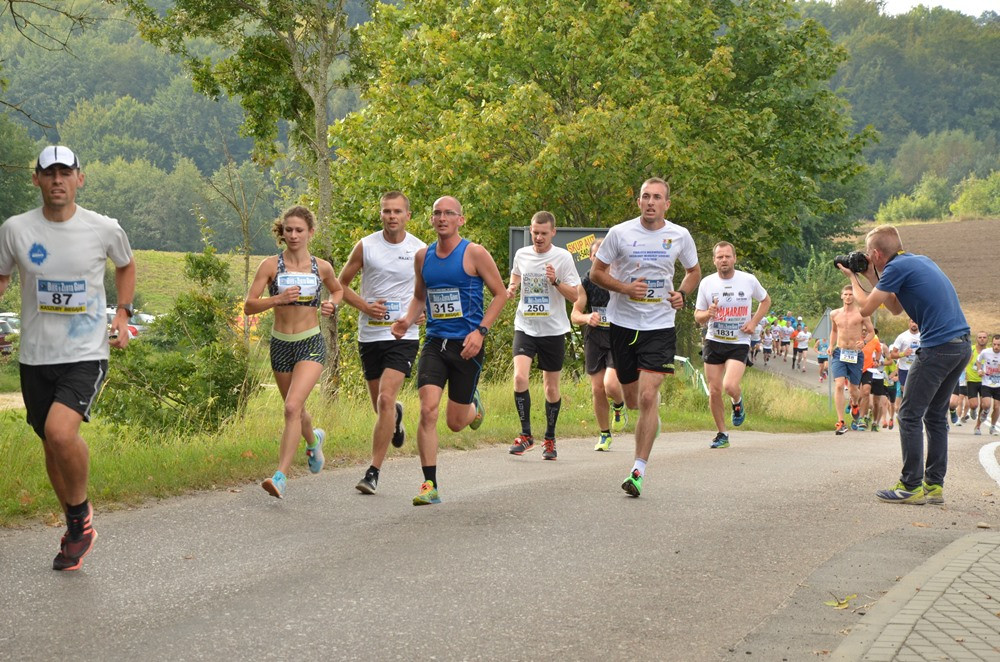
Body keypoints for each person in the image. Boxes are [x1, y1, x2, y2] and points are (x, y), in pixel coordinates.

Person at [0, 146, 136, 571]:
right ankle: (75, 528)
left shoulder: (103, 228)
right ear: (36, 179)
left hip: (86, 352)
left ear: (80, 178)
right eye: (49, 173)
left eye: (65, 172)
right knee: (50, 443)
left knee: (61, 434)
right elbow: (2, 275)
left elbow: (126, 266)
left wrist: (123, 313)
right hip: (36, 355)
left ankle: (80, 517)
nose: (57, 180)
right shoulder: (16, 229)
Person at [840, 224, 970, 505]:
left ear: (875, 253)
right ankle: (934, 486)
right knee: (935, 416)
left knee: (909, 414)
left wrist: (852, 277)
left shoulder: (896, 269)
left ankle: (911, 485)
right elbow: (896, 307)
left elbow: (864, 309)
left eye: (867, 254)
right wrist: (868, 275)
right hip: (961, 346)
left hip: (938, 348)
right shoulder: (917, 260)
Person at [391, 196, 507, 505]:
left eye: (449, 213)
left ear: (460, 220)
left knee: (455, 422)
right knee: (427, 408)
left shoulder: (474, 253)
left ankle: (474, 407)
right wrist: (406, 319)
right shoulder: (422, 257)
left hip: (467, 346)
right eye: (437, 213)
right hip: (435, 342)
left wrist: (480, 332)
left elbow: (500, 294)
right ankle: (430, 485)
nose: (442, 218)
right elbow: (420, 295)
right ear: (430, 220)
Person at [591, 177, 701, 497]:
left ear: (667, 204)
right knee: (631, 399)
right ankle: (649, 421)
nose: (650, 202)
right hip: (623, 324)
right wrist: (625, 288)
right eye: (645, 197)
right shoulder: (619, 233)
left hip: (660, 325)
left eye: (657, 197)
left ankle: (638, 470)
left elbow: (693, 271)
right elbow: (597, 273)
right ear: (638, 202)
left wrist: (682, 292)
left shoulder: (679, 235)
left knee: (649, 396)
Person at [245, 205, 343, 499]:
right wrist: (277, 299)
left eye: (299, 230)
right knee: (296, 408)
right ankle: (313, 442)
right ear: (282, 232)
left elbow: (337, 291)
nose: (293, 235)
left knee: (291, 408)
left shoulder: (321, 267)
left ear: (310, 232)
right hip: (280, 344)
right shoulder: (270, 266)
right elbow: (249, 305)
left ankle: (281, 476)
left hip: (310, 342)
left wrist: (332, 305)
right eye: (288, 230)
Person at [337, 192, 426, 494]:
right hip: (370, 335)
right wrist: (364, 306)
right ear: (381, 215)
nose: (391, 216)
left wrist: (422, 313)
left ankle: (373, 471)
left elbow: (428, 291)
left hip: (403, 335)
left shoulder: (419, 250)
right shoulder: (366, 246)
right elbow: (340, 285)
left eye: (397, 211)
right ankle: (396, 418)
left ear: (407, 216)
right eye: (386, 211)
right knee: (381, 406)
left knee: (385, 400)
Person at [505, 211, 580, 460]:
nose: (538, 237)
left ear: (553, 233)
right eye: (535, 232)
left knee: (550, 388)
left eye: (543, 233)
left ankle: (550, 438)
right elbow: (515, 275)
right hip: (525, 326)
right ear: (531, 230)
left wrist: (556, 281)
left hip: (553, 330)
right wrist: (512, 287)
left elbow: (576, 296)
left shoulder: (563, 257)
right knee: (519, 378)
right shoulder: (522, 254)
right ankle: (526, 435)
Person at [693, 241, 770, 449]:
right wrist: (707, 314)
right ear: (714, 260)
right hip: (714, 340)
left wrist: (753, 322)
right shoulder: (707, 283)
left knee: (729, 386)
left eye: (727, 256)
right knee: (715, 390)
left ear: (734, 258)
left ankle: (737, 402)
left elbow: (766, 301)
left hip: (739, 341)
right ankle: (722, 433)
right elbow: (698, 317)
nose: (724, 260)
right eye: (720, 257)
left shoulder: (748, 280)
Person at [571, 239, 627, 452]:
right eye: (596, 255)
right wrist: (587, 318)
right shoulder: (585, 282)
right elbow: (575, 314)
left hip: (617, 337)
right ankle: (604, 434)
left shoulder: (621, 279)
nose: (601, 259)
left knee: (611, 385)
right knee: (597, 388)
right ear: (591, 258)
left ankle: (619, 407)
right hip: (594, 337)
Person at [829, 284, 872, 435]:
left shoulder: (862, 313)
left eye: (851, 294)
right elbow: (834, 331)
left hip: (855, 354)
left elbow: (871, 332)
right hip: (839, 353)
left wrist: (864, 342)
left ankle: (854, 404)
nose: (848, 297)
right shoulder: (834, 314)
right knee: (839, 385)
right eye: (846, 294)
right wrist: (830, 345)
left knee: (854, 390)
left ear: (854, 297)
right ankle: (841, 422)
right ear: (841, 296)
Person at [973, 334, 1000, 436]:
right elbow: (978, 361)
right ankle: (979, 424)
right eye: (994, 344)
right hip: (986, 382)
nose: (996, 347)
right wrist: (980, 370)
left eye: (999, 345)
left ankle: (992, 427)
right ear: (992, 343)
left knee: (997, 407)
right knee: (986, 405)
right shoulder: (986, 352)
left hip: (998, 384)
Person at [963, 331, 989, 425]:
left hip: (985, 381)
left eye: (984, 337)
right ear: (976, 339)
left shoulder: (989, 352)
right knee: (974, 404)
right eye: (980, 337)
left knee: (984, 404)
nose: (982, 339)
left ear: (987, 339)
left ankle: (978, 426)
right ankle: (972, 410)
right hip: (972, 380)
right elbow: (964, 362)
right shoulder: (971, 350)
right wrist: (965, 372)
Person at [889, 318, 920, 395]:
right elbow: (892, 355)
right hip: (904, 369)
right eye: (912, 322)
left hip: (918, 368)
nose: (914, 324)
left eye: (916, 322)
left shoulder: (923, 336)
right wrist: (903, 354)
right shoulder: (902, 337)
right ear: (909, 323)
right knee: (905, 392)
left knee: (916, 392)